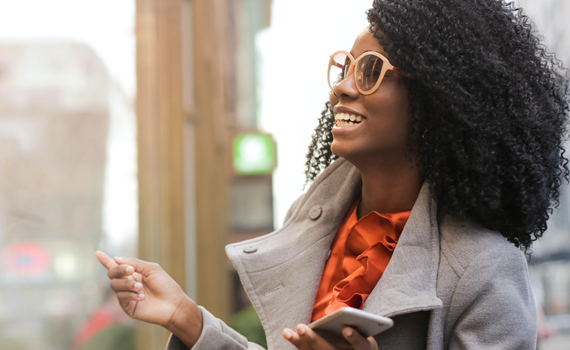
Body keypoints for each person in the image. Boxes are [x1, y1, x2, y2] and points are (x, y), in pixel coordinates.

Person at [96, 0, 570, 349]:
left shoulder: (484, 269)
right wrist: (187, 318)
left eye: (369, 70)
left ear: (439, 98)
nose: (341, 89)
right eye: (346, 67)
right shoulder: (316, 222)